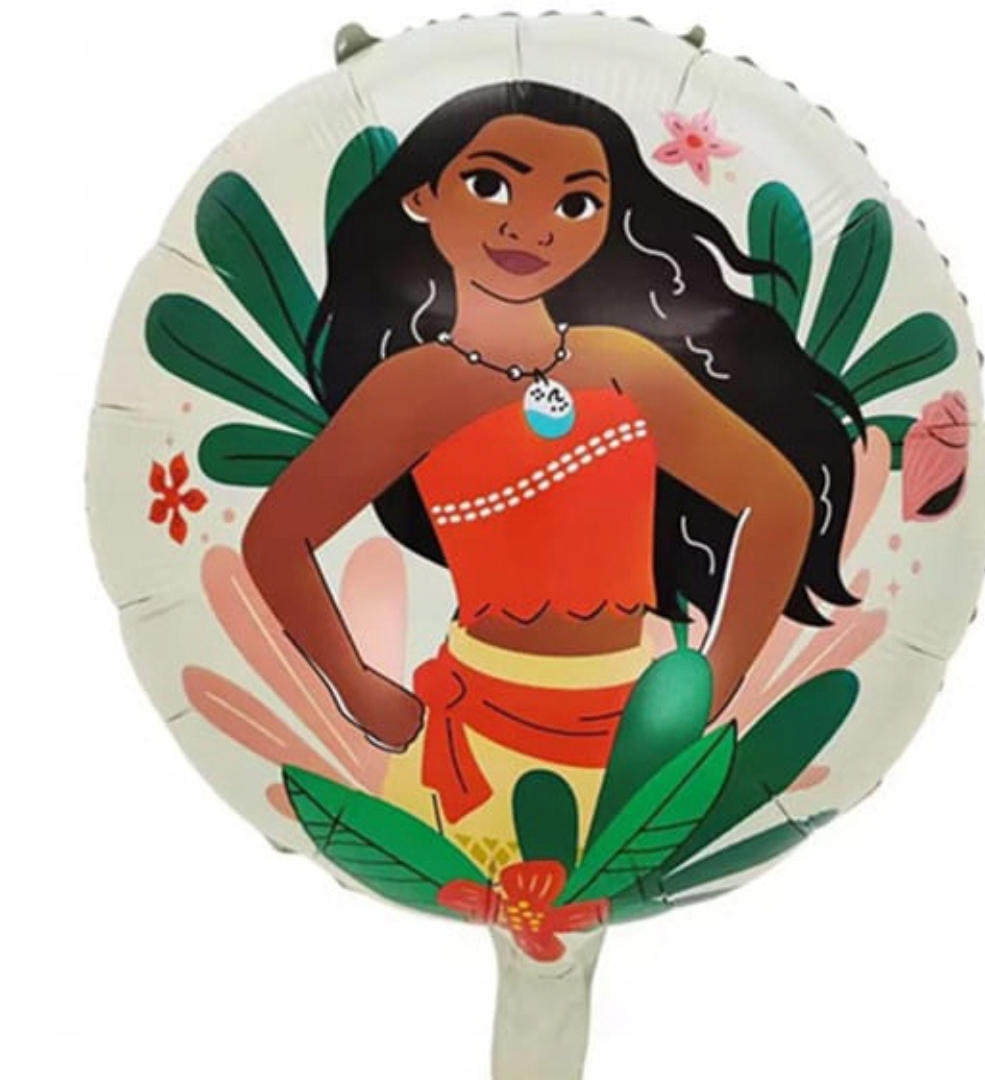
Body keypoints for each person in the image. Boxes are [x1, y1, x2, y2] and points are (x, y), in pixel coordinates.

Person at [242, 80, 863, 860]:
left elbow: (777, 500)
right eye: (490, 185)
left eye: (576, 204)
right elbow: (275, 539)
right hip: (480, 738)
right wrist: (359, 689)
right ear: (422, 197)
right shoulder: (417, 387)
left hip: (637, 731)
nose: (531, 227)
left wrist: (715, 679)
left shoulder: (623, 364)